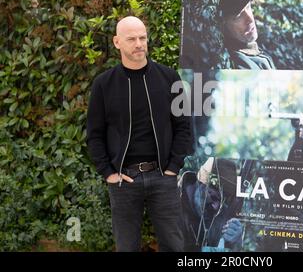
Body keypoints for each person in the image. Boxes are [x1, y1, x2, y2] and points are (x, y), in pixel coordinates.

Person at [86, 16, 191, 252]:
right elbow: (94, 134)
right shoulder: (104, 84)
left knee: (174, 245)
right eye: (131, 38)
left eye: (143, 37)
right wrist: (109, 173)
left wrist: (173, 167)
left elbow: (183, 126)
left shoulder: (169, 78)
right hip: (124, 180)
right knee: (126, 247)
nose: (139, 44)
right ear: (117, 42)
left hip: (162, 175)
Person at [178, 157, 244, 252]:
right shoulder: (170, 204)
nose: (216, 207)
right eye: (213, 197)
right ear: (201, 184)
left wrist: (235, 243)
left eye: (222, 202)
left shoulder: (222, 215)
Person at [218, 0, 275, 69]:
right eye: (238, 16)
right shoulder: (239, 63)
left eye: (248, 7)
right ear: (223, 25)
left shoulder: (250, 49)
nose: (250, 19)